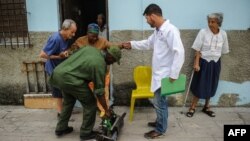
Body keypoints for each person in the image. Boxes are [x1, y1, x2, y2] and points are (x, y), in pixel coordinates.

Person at [122, 3, 185, 139]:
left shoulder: (170, 30)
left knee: (159, 103)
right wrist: (131, 44)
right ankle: (160, 122)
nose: (146, 21)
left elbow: (179, 52)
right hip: (158, 74)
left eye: (147, 18)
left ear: (153, 16)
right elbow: (147, 43)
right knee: (159, 102)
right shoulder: (158, 31)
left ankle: (160, 130)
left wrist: (174, 74)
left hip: (165, 75)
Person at [49, 46, 121, 141]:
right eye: (114, 61)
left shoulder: (91, 49)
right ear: (110, 57)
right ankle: (86, 133)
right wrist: (106, 110)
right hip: (70, 79)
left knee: (68, 102)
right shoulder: (100, 64)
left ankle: (61, 128)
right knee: (90, 104)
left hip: (58, 74)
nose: (112, 63)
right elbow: (99, 92)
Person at [69, 23, 121, 117]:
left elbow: (113, 47)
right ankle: (93, 109)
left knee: (102, 92)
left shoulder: (102, 41)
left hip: (101, 72)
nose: (95, 38)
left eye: (96, 36)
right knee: (89, 94)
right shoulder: (80, 41)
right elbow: (72, 52)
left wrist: (122, 45)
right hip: (87, 73)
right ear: (87, 33)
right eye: (93, 36)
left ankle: (104, 111)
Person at [186, 13, 229, 118]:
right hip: (204, 62)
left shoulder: (223, 34)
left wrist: (215, 56)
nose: (210, 24)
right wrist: (196, 63)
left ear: (218, 22)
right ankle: (192, 107)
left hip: (216, 62)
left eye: (213, 22)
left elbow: (224, 50)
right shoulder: (203, 32)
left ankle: (207, 106)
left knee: (212, 84)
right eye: (209, 21)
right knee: (200, 84)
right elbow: (197, 49)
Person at [39, 19, 77, 117]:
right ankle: (60, 113)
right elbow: (42, 55)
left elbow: (64, 50)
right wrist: (58, 57)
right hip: (53, 69)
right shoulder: (55, 38)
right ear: (65, 29)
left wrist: (67, 52)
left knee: (65, 88)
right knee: (57, 91)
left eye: (74, 32)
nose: (73, 34)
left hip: (61, 68)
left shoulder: (66, 38)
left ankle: (65, 110)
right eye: (72, 32)